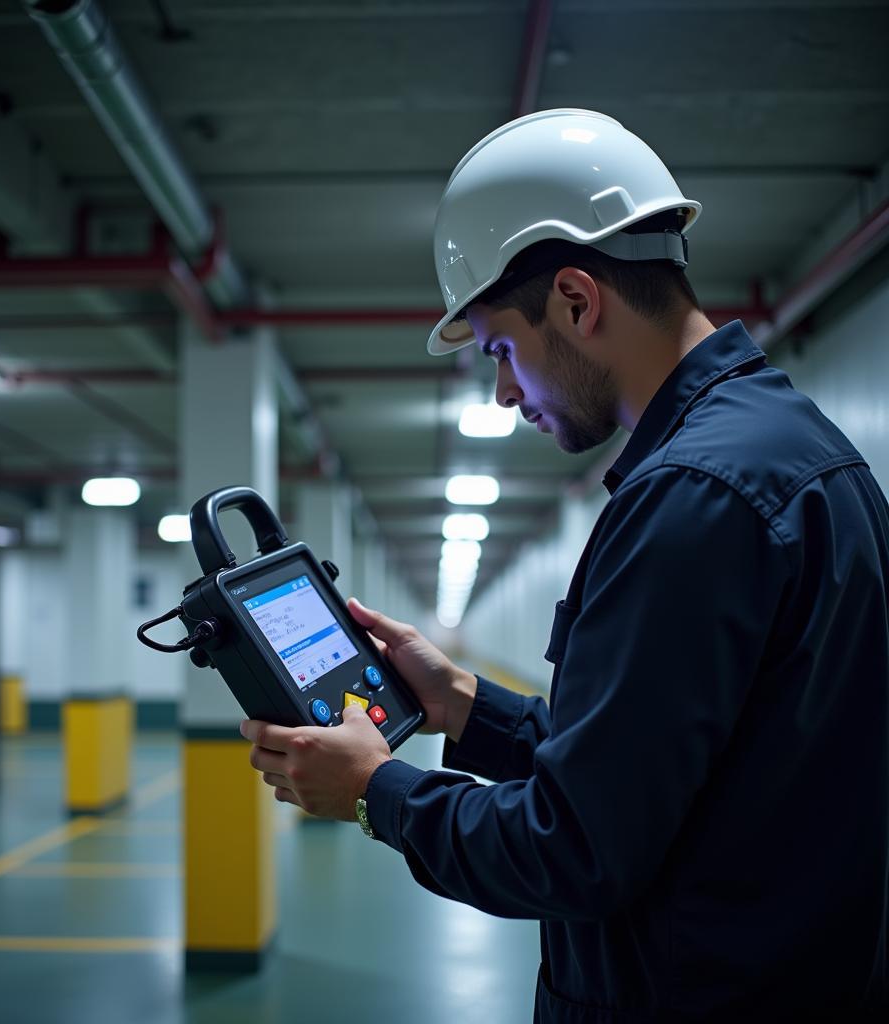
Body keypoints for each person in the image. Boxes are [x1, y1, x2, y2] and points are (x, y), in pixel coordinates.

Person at [241, 109, 889, 1021]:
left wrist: (374, 791)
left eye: (502, 349)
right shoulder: (793, 453)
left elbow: (575, 848)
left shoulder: (693, 497)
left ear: (579, 301)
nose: (505, 392)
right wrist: (461, 704)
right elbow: (666, 769)